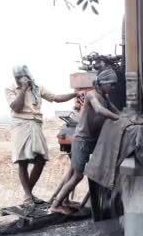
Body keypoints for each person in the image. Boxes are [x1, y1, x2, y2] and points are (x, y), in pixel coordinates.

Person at [6, 65, 79, 207]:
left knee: (40, 160)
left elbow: (56, 98)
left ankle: (28, 194)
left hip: (36, 124)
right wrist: (23, 89)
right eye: (19, 77)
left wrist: (75, 94)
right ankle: (28, 196)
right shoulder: (10, 88)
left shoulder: (38, 87)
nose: (22, 78)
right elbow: (16, 107)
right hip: (21, 125)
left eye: (24, 76)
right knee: (22, 161)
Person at [50, 68, 121, 214]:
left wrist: (126, 117)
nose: (112, 88)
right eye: (111, 85)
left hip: (92, 141)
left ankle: (65, 201)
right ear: (102, 83)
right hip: (82, 140)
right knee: (78, 175)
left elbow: (115, 111)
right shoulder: (91, 95)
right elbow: (100, 110)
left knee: (75, 172)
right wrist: (119, 119)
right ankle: (56, 204)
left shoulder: (105, 97)